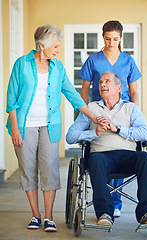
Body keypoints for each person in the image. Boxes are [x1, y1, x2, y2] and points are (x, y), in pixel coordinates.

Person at [6, 24, 97, 232]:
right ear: (42, 46)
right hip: (24, 126)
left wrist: (93, 115)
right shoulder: (21, 64)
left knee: (50, 171)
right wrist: (15, 129)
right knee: (28, 171)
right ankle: (35, 216)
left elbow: (72, 94)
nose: (58, 49)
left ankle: (48, 218)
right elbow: (11, 99)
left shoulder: (58, 67)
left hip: (49, 126)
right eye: (55, 46)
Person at [66, 72, 147, 227]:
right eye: (101, 82)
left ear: (119, 88)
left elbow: (144, 133)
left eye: (107, 81)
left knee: (145, 158)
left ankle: (146, 212)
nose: (102, 84)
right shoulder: (91, 108)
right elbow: (70, 136)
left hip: (128, 156)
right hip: (101, 157)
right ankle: (104, 213)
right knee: (95, 159)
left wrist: (118, 129)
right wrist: (94, 132)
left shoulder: (131, 108)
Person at [78, 20, 141, 217]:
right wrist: (87, 113)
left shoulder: (128, 61)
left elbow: (133, 92)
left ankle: (116, 201)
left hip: (122, 111)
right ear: (102, 37)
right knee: (103, 152)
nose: (111, 43)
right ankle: (105, 199)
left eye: (115, 39)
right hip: (99, 110)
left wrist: (134, 115)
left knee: (120, 149)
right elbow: (85, 90)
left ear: (121, 38)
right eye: (107, 39)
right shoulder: (93, 60)